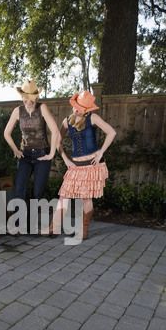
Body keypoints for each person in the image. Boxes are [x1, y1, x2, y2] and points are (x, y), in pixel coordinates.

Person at [40, 90, 116, 239]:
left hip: (91, 165)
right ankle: (53, 228)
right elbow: (57, 143)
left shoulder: (93, 118)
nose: (76, 110)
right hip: (75, 166)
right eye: (75, 107)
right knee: (64, 196)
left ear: (86, 110)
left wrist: (101, 153)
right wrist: (66, 160)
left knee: (86, 198)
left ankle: (84, 230)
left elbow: (111, 132)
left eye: (80, 109)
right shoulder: (67, 121)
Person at [4, 79, 59, 233]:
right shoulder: (17, 111)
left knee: (36, 192)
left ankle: (32, 225)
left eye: (31, 97)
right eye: (25, 97)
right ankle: (19, 225)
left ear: (36, 97)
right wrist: (15, 149)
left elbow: (55, 131)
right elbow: (6, 133)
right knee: (19, 189)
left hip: (42, 154)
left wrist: (51, 154)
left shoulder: (43, 108)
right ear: (22, 97)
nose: (28, 101)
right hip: (25, 155)